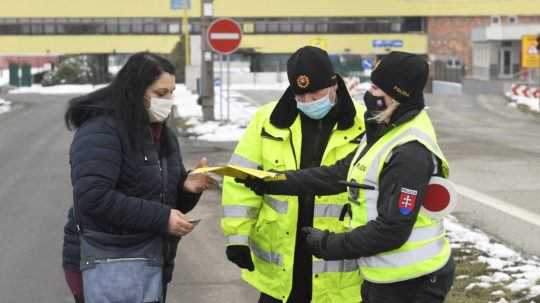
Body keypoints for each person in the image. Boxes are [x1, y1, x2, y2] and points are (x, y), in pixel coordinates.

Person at [239, 51, 455, 303]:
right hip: (386, 276)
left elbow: (392, 229)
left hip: (413, 282)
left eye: (376, 87)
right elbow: (339, 174)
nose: (369, 92)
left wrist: (326, 245)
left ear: (397, 95)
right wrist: (274, 182)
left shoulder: (409, 151)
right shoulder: (386, 128)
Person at [61, 52, 216, 303]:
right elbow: (94, 197)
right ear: (135, 92)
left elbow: (162, 199)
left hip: (149, 260)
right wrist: (161, 218)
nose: (169, 100)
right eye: (160, 93)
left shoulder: (162, 134)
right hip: (105, 260)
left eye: (172, 92)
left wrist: (187, 188)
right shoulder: (101, 130)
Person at [221, 46, 366, 303]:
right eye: (301, 97)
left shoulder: (363, 124)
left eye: (316, 94)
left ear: (334, 84)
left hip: (339, 269)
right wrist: (237, 237)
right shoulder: (267, 120)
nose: (309, 102)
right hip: (282, 266)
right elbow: (240, 180)